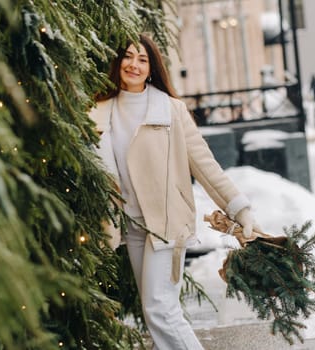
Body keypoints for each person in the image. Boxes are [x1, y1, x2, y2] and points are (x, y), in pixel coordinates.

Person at [89, 33, 259, 350]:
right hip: (131, 226)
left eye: (143, 59)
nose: (134, 65)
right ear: (117, 62)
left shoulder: (170, 111)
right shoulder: (100, 111)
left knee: (160, 310)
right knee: (157, 310)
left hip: (166, 225)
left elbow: (206, 166)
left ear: (152, 68)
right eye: (128, 57)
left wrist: (239, 208)